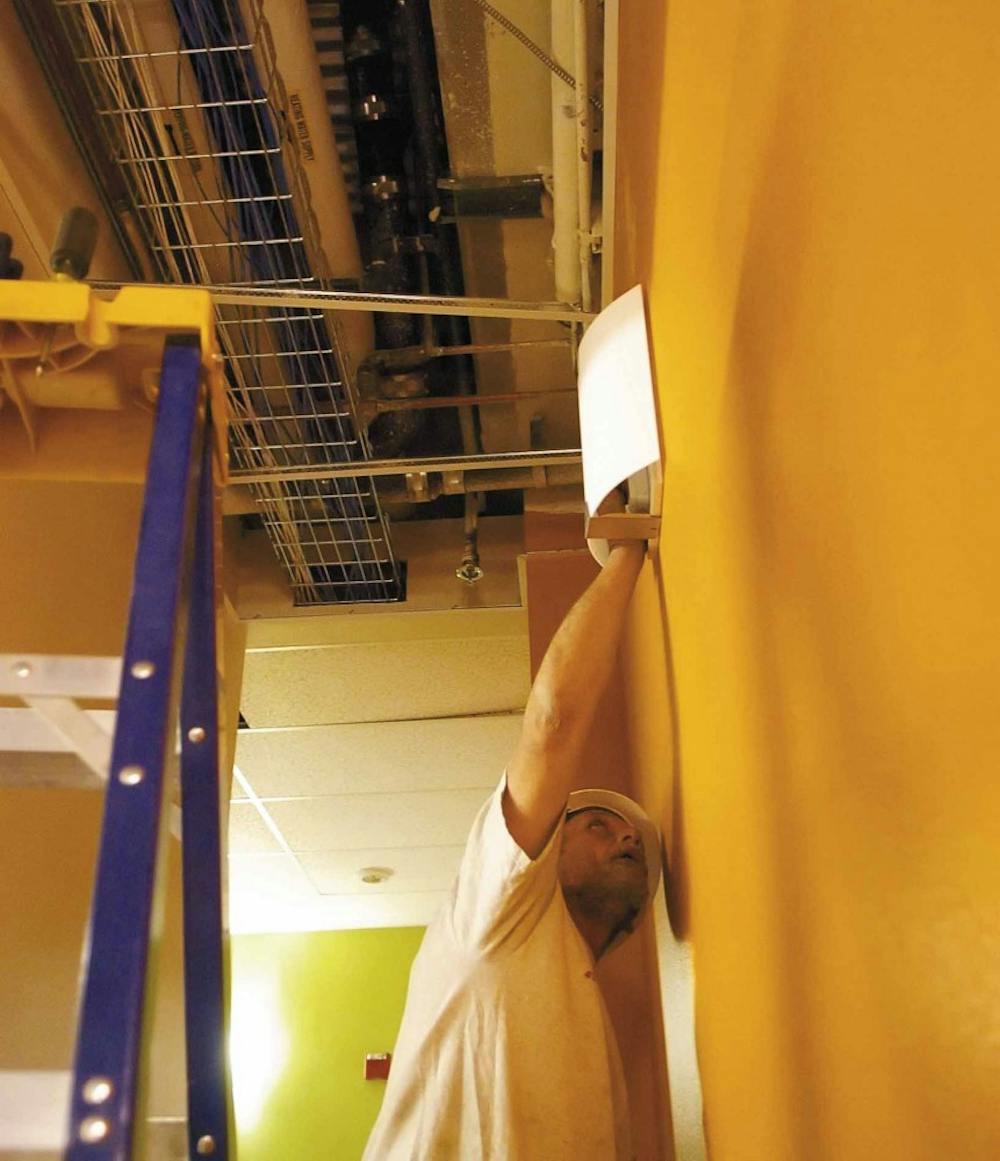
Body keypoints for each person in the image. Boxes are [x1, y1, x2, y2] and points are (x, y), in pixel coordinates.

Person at [362, 538, 659, 1160]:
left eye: (629, 838)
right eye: (597, 825)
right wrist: (626, 549)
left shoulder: (588, 1024)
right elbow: (554, 724)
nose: (627, 834)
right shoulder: (498, 915)